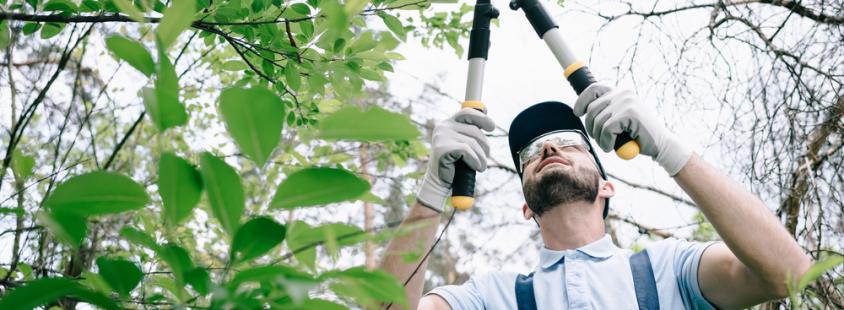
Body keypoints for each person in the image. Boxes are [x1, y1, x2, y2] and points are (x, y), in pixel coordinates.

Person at [379, 84, 812, 309]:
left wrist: (667, 147)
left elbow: (790, 272)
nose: (547, 148)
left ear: (608, 186)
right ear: (527, 207)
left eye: (568, 142)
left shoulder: (671, 270)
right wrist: (432, 192)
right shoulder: (492, 298)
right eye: (530, 153)